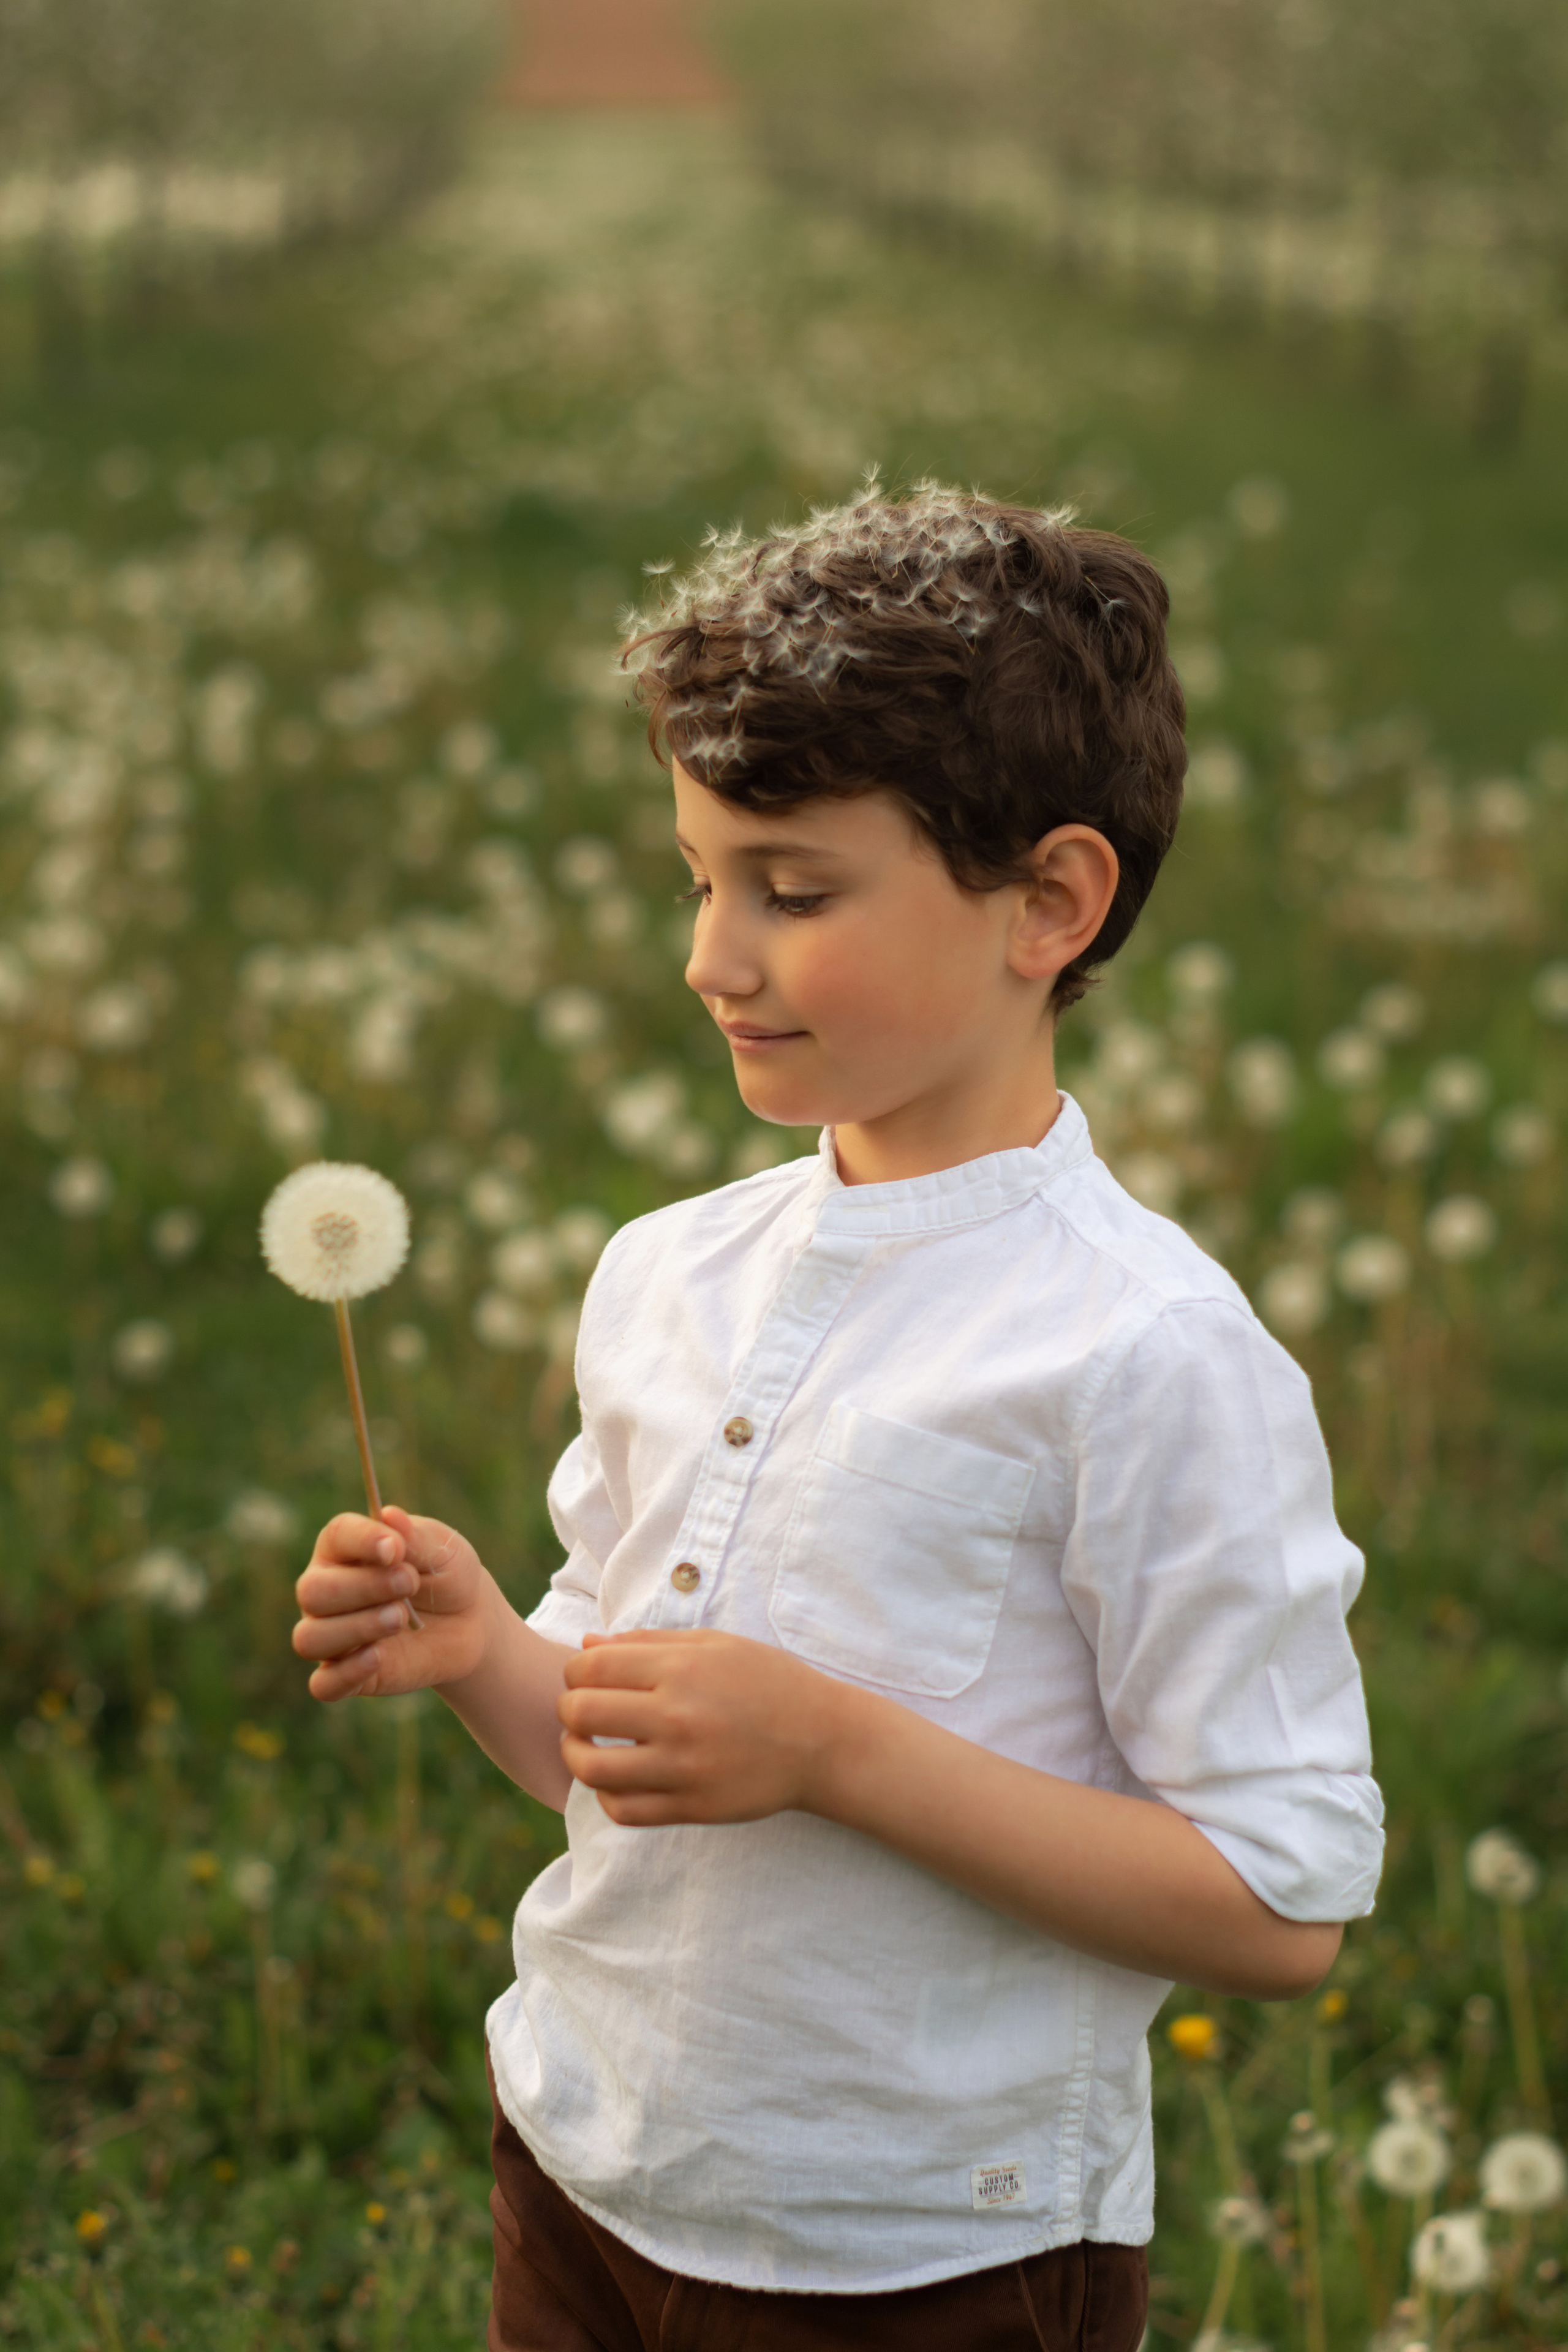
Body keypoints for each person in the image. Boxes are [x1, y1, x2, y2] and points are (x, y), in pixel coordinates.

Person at [293, 483, 1383, 2352]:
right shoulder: (665, 1277)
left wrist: (841, 1753)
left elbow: (1277, 1910)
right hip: (582, 2151)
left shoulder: (1147, 1357)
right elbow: (615, 1760)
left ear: (1048, 902)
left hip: (916, 2258)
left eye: (793, 893)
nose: (713, 959)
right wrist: (489, 1651)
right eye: (700, 880)